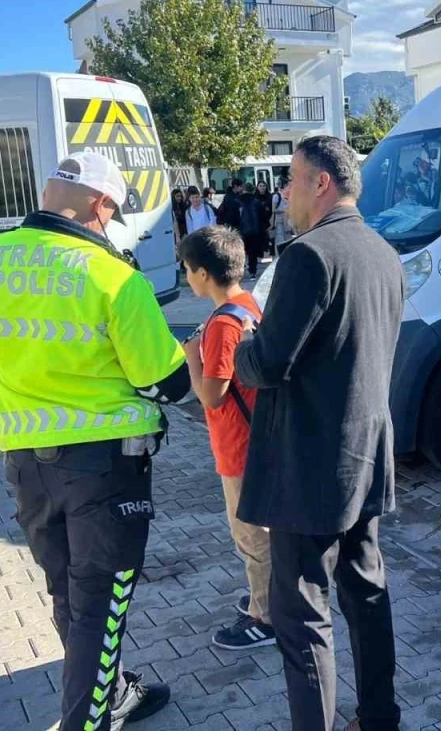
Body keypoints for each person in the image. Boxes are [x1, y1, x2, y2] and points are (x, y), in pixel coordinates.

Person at [0, 150, 188, 731]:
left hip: (25, 465)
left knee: (68, 591)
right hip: (105, 468)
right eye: (112, 213)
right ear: (100, 205)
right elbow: (166, 383)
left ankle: (115, 692)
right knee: (99, 609)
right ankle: (91, 717)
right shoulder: (114, 278)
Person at [235, 135, 404, 731]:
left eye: (291, 180)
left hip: (310, 466)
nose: (283, 194)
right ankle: (381, 718)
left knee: (302, 615)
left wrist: (240, 351)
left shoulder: (309, 256)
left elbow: (272, 360)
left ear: (321, 184)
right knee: (366, 593)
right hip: (365, 456)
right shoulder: (384, 252)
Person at [178, 225, 275, 650]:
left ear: (202, 274)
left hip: (238, 446)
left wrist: (190, 359)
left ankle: (266, 617)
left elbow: (212, 396)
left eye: (186, 269)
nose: (185, 276)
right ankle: (265, 596)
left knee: (251, 536)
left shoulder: (221, 325)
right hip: (259, 439)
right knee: (261, 532)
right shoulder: (246, 303)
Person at [236, 184, 266, 277]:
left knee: (241, 252)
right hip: (255, 232)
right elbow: (263, 218)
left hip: (241, 231)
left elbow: (233, 217)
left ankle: (239, 272)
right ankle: (252, 271)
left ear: (243, 190)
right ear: (253, 190)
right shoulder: (257, 202)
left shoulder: (237, 201)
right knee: (252, 253)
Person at [271, 180, 295, 256]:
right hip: (279, 221)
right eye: (288, 185)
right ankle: (278, 257)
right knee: (279, 239)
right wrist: (285, 210)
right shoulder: (276, 196)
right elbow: (274, 209)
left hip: (288, 220)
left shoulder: (289, 195)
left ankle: (287, 256)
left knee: (288, 239)